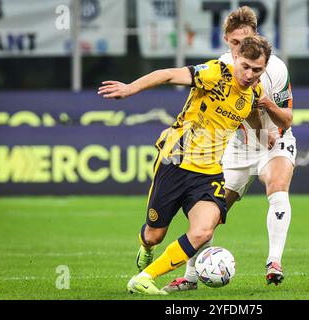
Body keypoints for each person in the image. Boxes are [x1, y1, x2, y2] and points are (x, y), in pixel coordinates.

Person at [98, 36, 271, 295]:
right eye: (245, 66)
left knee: (203, 230)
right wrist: (130, 88)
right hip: (176, 161)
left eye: (257, 70)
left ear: (265, 68)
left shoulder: (255, 91)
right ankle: (146, 247)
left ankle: (145, 278)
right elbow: (168, 74)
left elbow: (254, 118)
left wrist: (264, 134)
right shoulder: (215, 73)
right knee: (154, 235)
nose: (249, 74)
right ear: (236, 58)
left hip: (210, 172)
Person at [163, 6, 295, 292]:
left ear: (256, 37)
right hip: (235, 149)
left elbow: (287, 119)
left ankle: (274, 262)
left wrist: (269, 107)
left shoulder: (276, 68)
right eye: (235, 43)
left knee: (277, 187)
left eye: (245, 41)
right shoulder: (220, 68)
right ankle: (191, 276)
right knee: (212, 213)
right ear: (226, 40)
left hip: (274, 141)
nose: (240, 49)